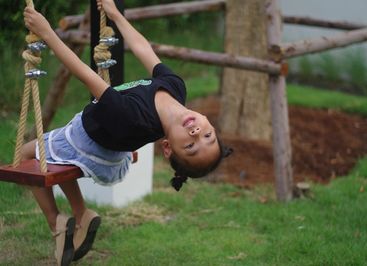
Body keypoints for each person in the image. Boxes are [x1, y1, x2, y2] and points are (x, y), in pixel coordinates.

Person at [22, 0, 232, 265]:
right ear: (209, 123)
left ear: (167, 147)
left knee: (26, 154)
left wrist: (47, 32)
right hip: (107, 142)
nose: (197, 133)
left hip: (86, 139)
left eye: (190, 146)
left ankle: (56, 224)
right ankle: (80, 214)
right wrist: (115, 16)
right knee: (54, 159)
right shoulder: (176, 88)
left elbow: (85, 74)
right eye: (207, 136)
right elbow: (144, 49)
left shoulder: (132, 118)